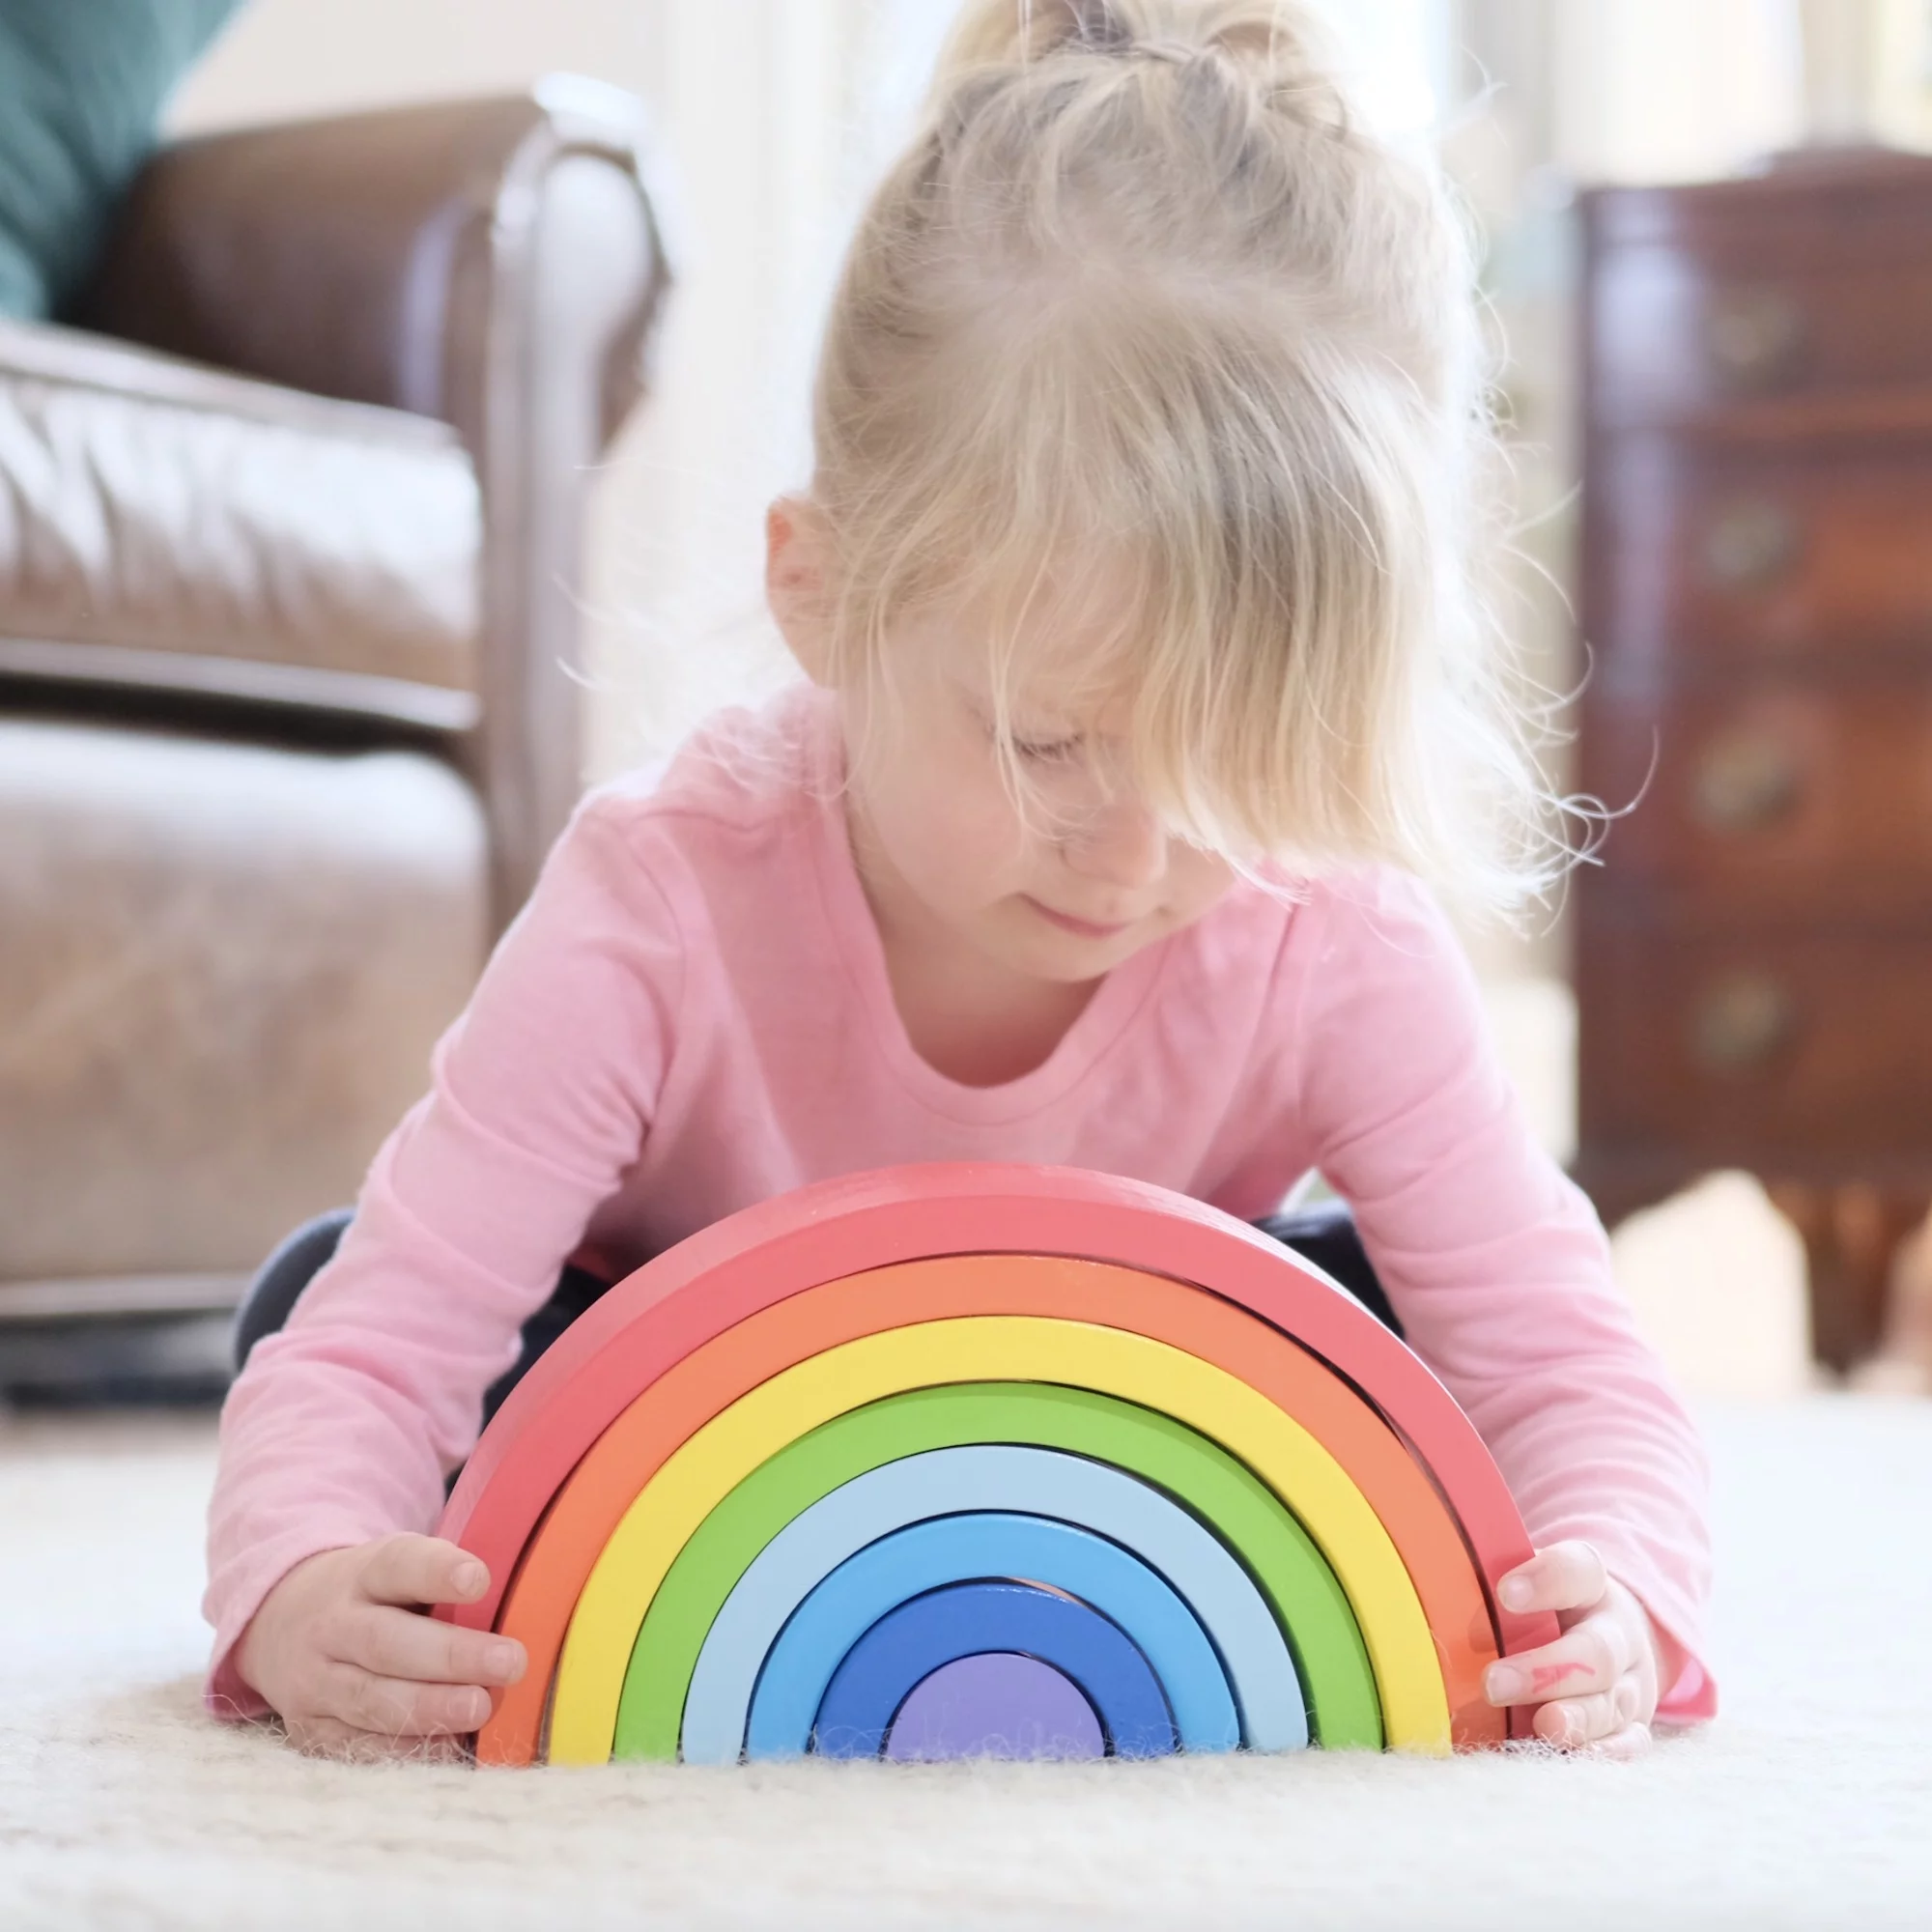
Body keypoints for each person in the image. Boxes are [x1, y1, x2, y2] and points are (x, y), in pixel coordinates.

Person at [209, 0, 1714, 1761]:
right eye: (1048, 744)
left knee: (1384, 1330)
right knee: (317, 1302)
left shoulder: (1327, 929)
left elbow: (1567, 1365)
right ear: (821, 592)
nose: (1137, 852)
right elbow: (387, 1339)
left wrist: (1623, 1588)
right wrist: (305, 1578)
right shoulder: (661, 897)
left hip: (1127, 1448)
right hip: (723, 1428)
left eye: (1225, 763)